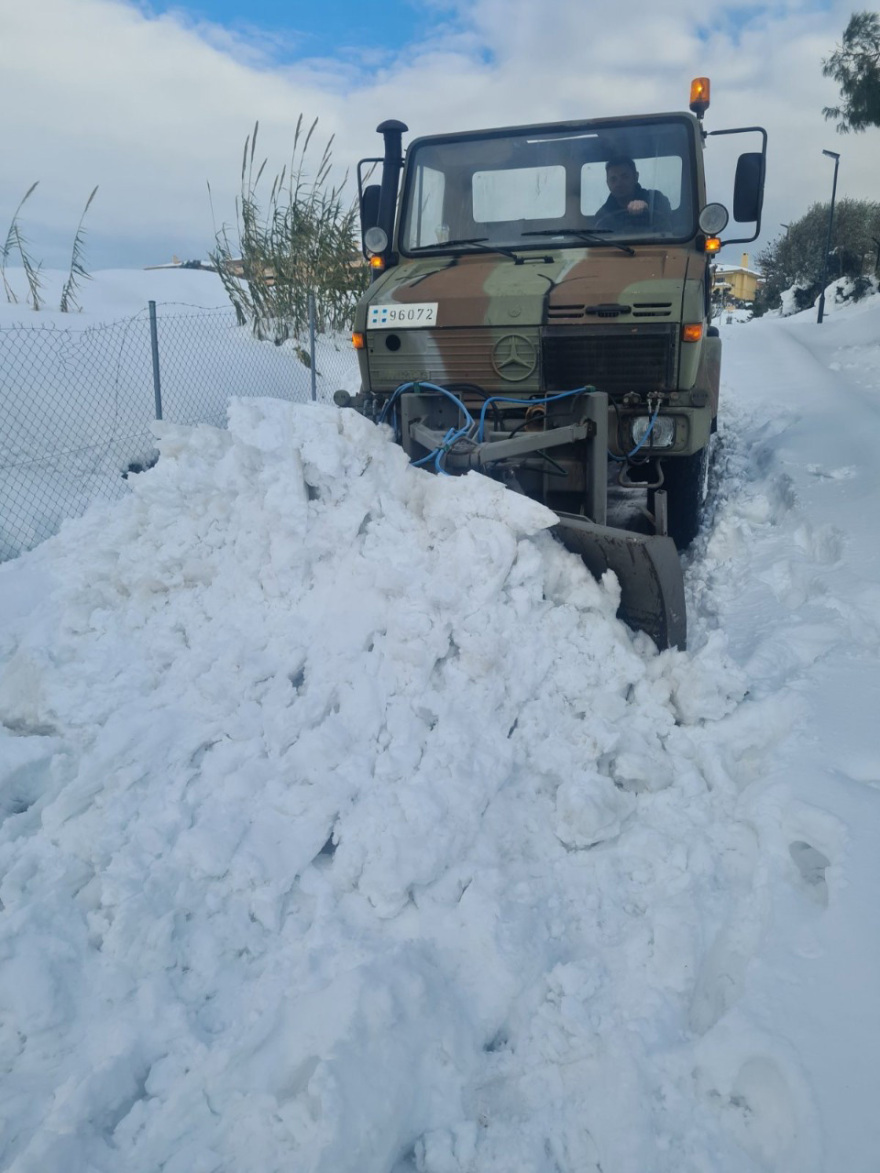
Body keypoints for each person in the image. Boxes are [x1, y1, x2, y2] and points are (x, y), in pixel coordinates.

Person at [595, 156, 672, 229]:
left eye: (625, 177)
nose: (619, 183)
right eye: (613, 179)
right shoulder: (602, 215)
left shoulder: (656, 198)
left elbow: (668, 219)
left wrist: (648, 207)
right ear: (607, 183)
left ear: (636, 177)